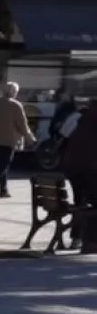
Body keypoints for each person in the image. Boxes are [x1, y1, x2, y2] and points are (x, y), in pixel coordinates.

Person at [0, 81, 36, 199]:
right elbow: (22, 125)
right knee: (3, 166)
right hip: (9, 140)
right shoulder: (15, 105)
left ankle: (3, 190)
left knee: (0, 164)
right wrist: (30, 138)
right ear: (14, 92)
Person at [62, 103, 97, 251]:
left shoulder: (83, 121)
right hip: (89, 170)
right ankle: (91, 242)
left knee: (81, 202)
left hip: (74, 170)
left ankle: (77, 238)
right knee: (92, 204)